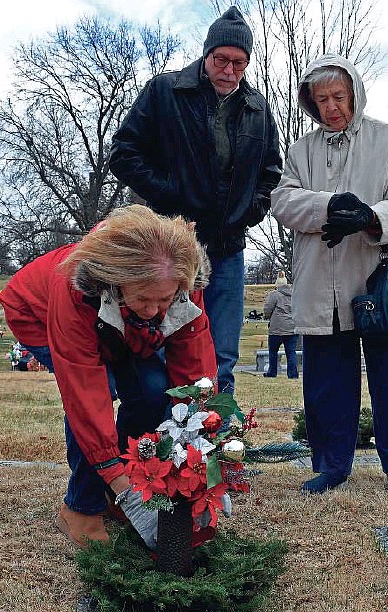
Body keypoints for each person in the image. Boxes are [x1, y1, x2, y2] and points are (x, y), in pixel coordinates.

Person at [0, 205, 217, 547]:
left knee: (153, 390)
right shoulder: (75, 286)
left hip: (119, 326)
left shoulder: (181, 277)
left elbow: (195, 371)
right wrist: (114, 476)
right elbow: (86, 395)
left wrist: (201, 441)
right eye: (144, 298)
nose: (154, 311)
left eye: (164, 300)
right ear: (117, 280)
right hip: (38, 315)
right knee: (101, 394)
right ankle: (82, 507)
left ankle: (124, 487)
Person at [270, 54, 388, 496]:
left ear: (355, 93)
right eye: (320, 99)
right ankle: (331, 466)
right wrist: (329, 208)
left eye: (338, 96)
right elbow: (282, 200)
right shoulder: (301, 150)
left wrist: (370, 217)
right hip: (320, 282)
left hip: (379, 280)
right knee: (327, 384)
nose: (330, 106)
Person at [109, 6, 282, 395]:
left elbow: (271, 174)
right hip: (169, 249)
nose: (229, 70)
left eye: (239, 63)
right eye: (221, 59)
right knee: (158, 348)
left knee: (222, 354)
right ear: (206, 55)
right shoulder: (165, 91)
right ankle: (156, 446)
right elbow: (124, 153)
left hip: (226, 249)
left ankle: (220, 447)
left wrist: (247, 213)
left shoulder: (258, 109)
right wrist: (170, 196)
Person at [262, 271, 298, 379]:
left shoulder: (274, 295)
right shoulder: (294, 294)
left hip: (276, 329)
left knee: (273, 352)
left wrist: (267, 317)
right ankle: (293, 374)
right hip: (292, 328)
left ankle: (272, 372)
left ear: (277, 284)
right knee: (291, 352)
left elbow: (267, 309)